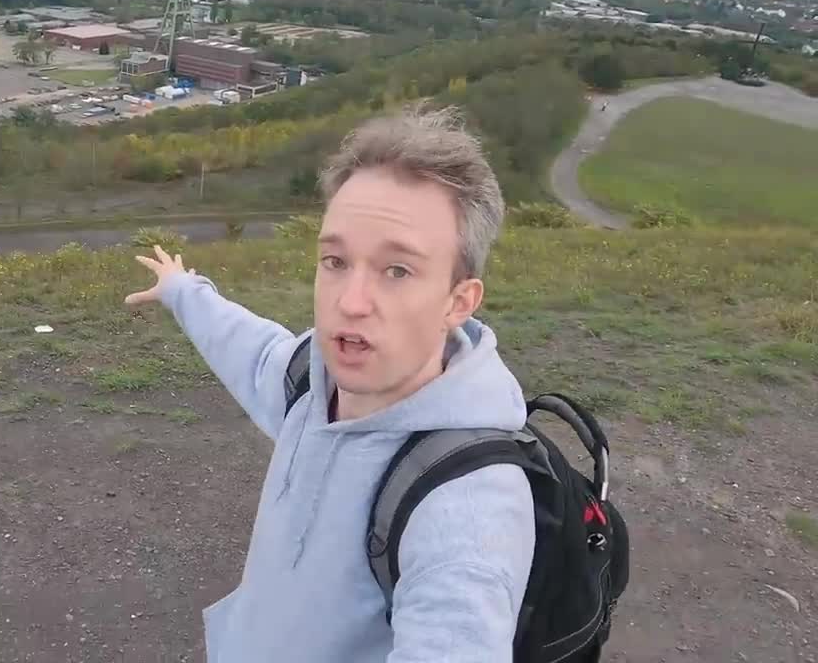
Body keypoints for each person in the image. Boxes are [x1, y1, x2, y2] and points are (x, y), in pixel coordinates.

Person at [125, 105, 535, 662]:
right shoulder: (309, 381)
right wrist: (181, 290)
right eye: (336, 260)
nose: (350, 303)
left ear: (458, 302)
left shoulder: (466, 502)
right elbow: (252, 348)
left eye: (397, 270)